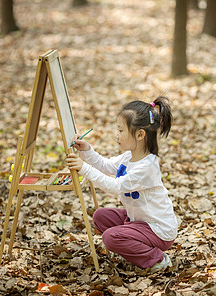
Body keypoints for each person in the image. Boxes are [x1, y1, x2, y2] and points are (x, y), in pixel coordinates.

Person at [65, 96, 177, 272]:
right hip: (138, 219)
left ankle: (157, 259)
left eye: (121, 131)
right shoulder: (129, 156)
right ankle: (134, 245)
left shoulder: (146, 166)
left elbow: (115, 186)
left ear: (140, 134)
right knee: (100, 216)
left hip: (158, 229)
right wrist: (87, 151)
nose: (117, 135)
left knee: (110, 238)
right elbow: (107, 166)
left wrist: (84, 168)